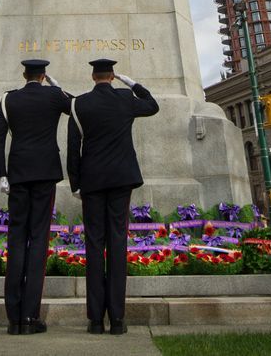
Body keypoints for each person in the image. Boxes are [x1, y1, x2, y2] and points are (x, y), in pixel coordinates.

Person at [67, 59, 158, 335]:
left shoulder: (79, 104)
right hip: (121, 179)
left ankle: (95, 319)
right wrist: (132, 83)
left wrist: (75, 185)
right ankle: (117, 319)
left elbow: (73, 149)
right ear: (111, 76)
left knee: (94, 245)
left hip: (92, 181)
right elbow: (153, 105)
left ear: (93, 77)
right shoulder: (125, 98)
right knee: (117, 243)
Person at [0, 58, 71, 336]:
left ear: (24, 74)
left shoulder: (8, 100)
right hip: (45, 172)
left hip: (18, 173)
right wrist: (59, 88)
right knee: (38, 241)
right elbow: (77, 108)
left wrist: (1, 173)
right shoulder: (52, 96)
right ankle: (29, 316)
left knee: (16, 239)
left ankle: (13, 318)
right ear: (44, 75)